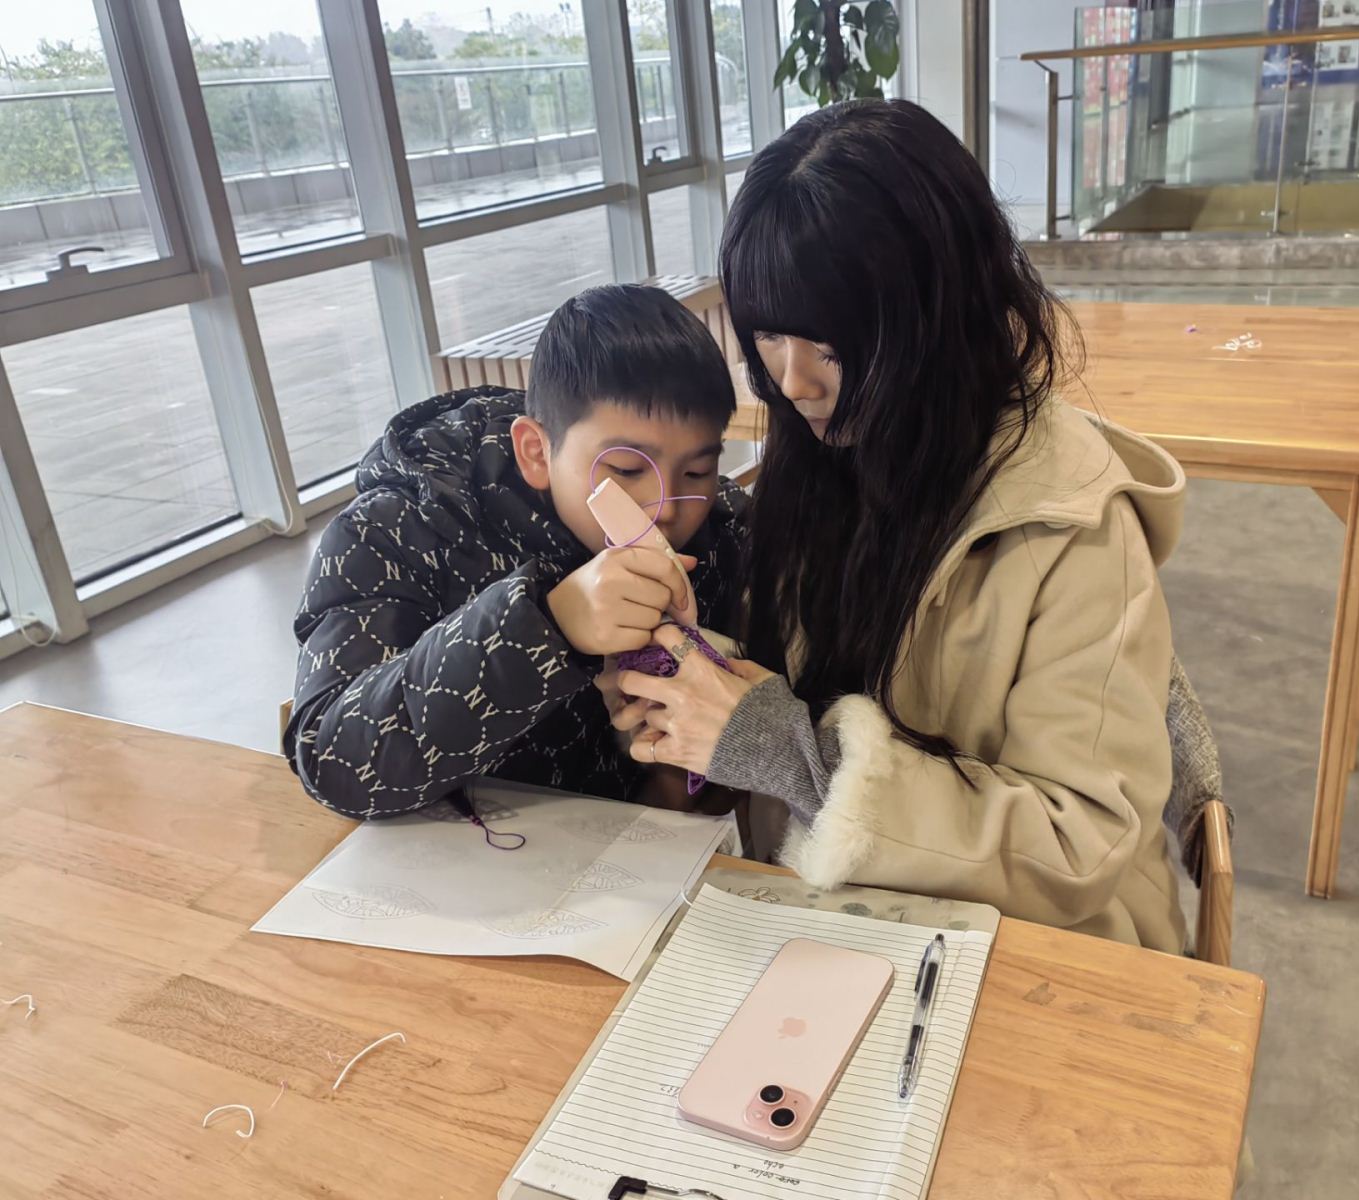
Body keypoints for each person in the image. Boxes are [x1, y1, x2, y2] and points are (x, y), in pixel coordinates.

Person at [611, 101, 1190, 952]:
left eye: (831, 345)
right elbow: (786, 706)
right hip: (837, 923)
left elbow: (1080, 844)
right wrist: (687, 689)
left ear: (940, 314)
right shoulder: (823, 461)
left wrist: (789, 756)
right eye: (768, 336)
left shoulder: (1072, 529)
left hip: (1041, 949)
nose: (793, 382)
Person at [285, 283, 745, 820]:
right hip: (459, 855)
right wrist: (545, 625)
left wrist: (680, 775)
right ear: (536, 452)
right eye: (625, 469)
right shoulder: (397, 528)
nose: (664, 508)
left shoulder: (722, 528)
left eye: (697, 471)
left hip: (638, 852)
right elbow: (333, 762)